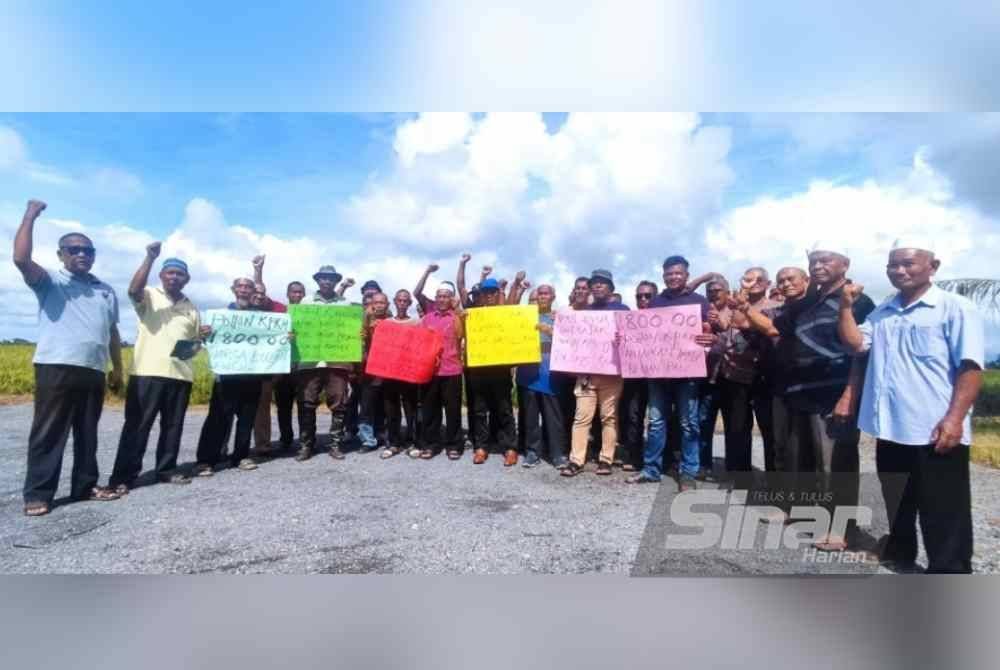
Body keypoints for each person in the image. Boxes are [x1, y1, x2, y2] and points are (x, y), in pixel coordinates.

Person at [836, 238, 983, 573]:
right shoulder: (883, 311)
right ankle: (900, 553)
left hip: (934, 426)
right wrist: (845, 307)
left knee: (944, 506)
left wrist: (955, 418)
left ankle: (949, 571)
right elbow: (857, 344)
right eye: (893, 264)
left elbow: (971, 368)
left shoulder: (955, 307)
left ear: (932, 267)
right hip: (890, 426)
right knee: (898, 497)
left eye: (908, 263)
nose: (899, 270)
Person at [14, 199, 123, 515]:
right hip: (57, 365)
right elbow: (21, 258)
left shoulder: (105, 290)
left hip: (94, 369)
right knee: (49, 431)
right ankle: (38, 493)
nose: (81, 255)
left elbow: (112, 332)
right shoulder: (51, 281)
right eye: (73, 249)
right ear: (61, 254)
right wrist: (30, 216)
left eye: (87, 251)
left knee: (88, 431)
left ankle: (86, 485)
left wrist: (117, 369)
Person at [767, 243, 875, 551]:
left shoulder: (859, 301)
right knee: (802, 459)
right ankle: (805, 513)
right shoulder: (809, 302)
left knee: (835, 463)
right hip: (799, 393)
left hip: (833, 394)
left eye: (825, 260)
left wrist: (849, 395)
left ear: (845, 264)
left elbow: (861, 351)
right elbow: (780, 327)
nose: (817, 266)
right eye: (813, 261)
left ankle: (843, 528)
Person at [108, 243, 206, 494]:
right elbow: (132, 290)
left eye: (179, 274)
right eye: (170, 272)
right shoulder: (149, 295)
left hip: (180, 376)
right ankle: (123, 477)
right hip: (147, 373)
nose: (174, 277)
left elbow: (194, 344)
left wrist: (202, 337)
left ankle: (166, 469)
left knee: (173, 427)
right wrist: (150, 257)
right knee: (137, 426)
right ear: (161, 276)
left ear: (187, 279)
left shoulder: (191, 307)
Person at [627, 256, 715, 490]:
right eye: (669, 273)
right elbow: (641, 337)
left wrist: (710, 338)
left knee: (689, 424)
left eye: (678, 273)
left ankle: (688, 473)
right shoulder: (655, 303)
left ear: (686, 274)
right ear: (663, 276)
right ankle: (651, 470)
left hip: (688, 376)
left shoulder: (700, 302)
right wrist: (624, 338)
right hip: (657, 376)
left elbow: (709, 332)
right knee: (656, 422)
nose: (674, 277)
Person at [193, 277, 268, 475]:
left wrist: (285, 337)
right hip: (226, 377)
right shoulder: (220, 316)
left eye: (248, 286)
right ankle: (206, 460)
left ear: (253, 291)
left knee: (246, 419)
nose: (244, 290)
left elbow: (273, 339)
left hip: (252, 376)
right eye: (240, 286)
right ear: (233, 290)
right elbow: (205, 341)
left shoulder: (262, 318)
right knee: (217, 419)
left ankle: (241, 456)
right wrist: (204, 333)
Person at [562, 269, 629, 477]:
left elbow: (632, 340)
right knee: (581, 418)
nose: (598, 286)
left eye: (603, 282)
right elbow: (574, 343)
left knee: (608, 418)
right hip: (587, 375)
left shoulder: (623, 310)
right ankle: (576, 460)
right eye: (595, 283)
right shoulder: (585, 312)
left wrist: (623, 339)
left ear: (611, 287)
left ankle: (606, 459)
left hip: (612, 374)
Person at [292, 265, 355, 462]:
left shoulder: (345, 304)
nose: (326, 281)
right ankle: (306, 445)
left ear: (336, 281)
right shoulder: (306, 302)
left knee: (339, 404)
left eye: (330, 278)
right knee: (307, 403)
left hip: (337, 362)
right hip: (310, 362)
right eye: (323, 278)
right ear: (317, 280)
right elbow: (297, 326)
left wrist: (357, 335)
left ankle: (334, 444)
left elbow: (349, 332)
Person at [465, 276, 518, 465]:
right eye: (485, 293)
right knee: (479, 411)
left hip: (500, 369)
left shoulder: (505, 313)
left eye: (492, 292)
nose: (489, 296)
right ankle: (481, 447)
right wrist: (462, 319)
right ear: (481, 295)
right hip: (478, 370)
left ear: (498, 294)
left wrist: (516, 285)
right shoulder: (472, 314)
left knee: (504, 410)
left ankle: (510, 448)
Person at [516, 284, 568, 469]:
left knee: (554, 418)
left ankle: (557, 454)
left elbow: (571, 342)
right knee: (530, 418)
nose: (542, 296)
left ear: (553, 297)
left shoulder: (560, 318)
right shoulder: (523, 318)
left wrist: (551, 332)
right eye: (539, 293)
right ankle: (532, 452)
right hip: (528, 375)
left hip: (550, 375)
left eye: (546, 293)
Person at [415, 265, 464, 459]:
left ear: (451, 299)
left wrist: (459, 312)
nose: (442, 299)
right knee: (430, 411)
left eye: (446, 296)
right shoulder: (426, 319)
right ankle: (431, 444)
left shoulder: (457, 317)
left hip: (451, 370)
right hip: (430, 372)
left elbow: (461, 336)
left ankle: (454, 445)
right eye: (439, 296)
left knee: (452, 411)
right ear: (435, 299)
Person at [617, 280, 657, 471]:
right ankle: (634, 456)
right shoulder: (629, 319)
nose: (643, 299)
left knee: (659, 420)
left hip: (660, 378)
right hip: (635, 377)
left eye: (648, 296)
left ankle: (659, 458)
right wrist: (619, 340)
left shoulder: (667, 319)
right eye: (639, 296)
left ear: (655, 297)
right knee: (634, 417)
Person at [380, 289, 422, 458]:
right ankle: (394, 443)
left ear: (409, 303)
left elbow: (420, 346)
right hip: (390, 373)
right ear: (395, 302)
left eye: (406, 301)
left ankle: (411, 442)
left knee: (410, 409)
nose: (402, 303)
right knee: (391, 409)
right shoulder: (386, 323)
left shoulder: (417, 323)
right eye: (400, 300)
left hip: (409, 373)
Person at [272, 281, 306, 451]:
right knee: (283, 406)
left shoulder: (310, 315)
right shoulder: (279, 311)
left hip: (303, 368)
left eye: (301, 293)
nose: (298, 295)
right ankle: (286, 438)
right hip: (283, 368)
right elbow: (260, 295)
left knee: (304, 405)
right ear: (287, 294)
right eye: (294, 292)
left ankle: (304, 439)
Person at [356, 292, 390, 452]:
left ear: (387, 305)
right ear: (371, 305)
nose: (378, 305)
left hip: (388, 371)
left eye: (382, 302)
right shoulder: (364, 323)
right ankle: (368, 440)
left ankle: (383, 435)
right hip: (369, 371)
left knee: (386, 406)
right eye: (375, 302)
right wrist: (367, 329)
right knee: (367, 406)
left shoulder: (393, 323)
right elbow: (359, 344)